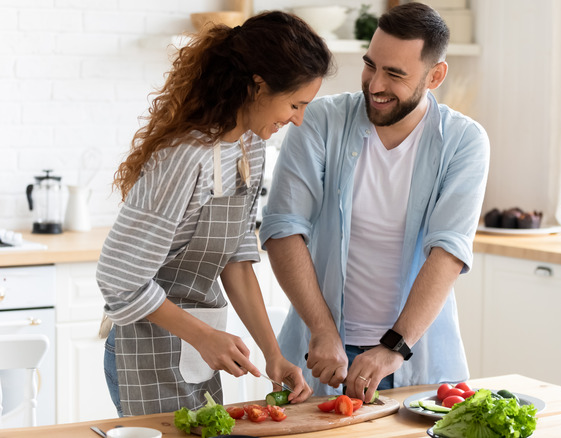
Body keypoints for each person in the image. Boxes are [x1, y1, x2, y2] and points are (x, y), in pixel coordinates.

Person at [96, 11, 333, 416]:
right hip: (146, 352)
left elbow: (237, 261)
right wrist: (204, 337)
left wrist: (273, 354)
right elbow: (119, 278)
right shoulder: (184, 158)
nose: (298, 119)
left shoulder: (250, 148)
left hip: (197, 353)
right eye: (295, 104)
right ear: (258, 86)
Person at [260, 2, 489, 400]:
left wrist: (394, 347)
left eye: (395, 74)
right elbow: (283, 229)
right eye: (371, 65)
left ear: (435, 76)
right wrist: (323, 330)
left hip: (414, 358)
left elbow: (449, 251)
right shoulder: (318, 121)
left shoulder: (464, 141)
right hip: (320, 355)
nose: (375, 84)